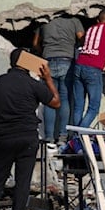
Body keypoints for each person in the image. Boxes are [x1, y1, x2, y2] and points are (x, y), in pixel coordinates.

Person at [0, 48, 60, 210]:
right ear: (27, 63)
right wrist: (48, 79)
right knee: (23, 181)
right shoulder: (32, 84)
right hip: (27, 137)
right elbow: (56, 102)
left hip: (4, 137)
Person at [32, 14, 84, 146]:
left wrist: (43, 52)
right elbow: (82, 38)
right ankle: (62, 136)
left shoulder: (44, 21)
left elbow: (35, 44)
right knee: (64, 99)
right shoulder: (74, 21)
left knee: (50, 100)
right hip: (67, 61)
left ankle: (49, 137)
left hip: (47, 62)